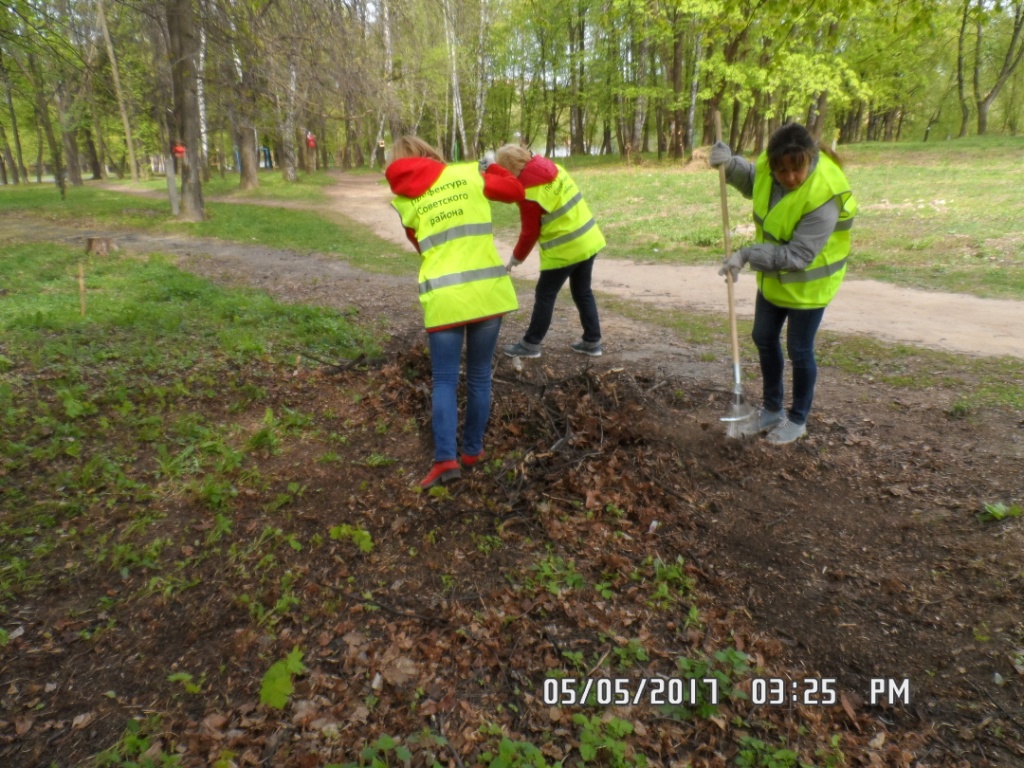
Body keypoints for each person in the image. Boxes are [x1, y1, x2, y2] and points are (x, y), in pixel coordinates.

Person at [385, 135, 525, 488]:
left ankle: (445, 460)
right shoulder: (468, 174)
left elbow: (420, 246)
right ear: (430, 153)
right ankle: (473, 451)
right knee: (479, 376)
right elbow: (515, 191)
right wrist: (490, 164)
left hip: (444, 298)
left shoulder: (405, 202)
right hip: (486, 293)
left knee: (445, 380)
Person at [709, 123, 857, 445]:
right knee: (763, 337)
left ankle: (798, 419)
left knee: (799, 350)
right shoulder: (769, 167)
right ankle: (772, 409)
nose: (789, 177)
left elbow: (798, 255)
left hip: (809, 285)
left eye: (796, 169)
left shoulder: (825, 192)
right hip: (774, 280)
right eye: (782, 170)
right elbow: (754, 181)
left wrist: (746, 254)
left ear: (810, 158)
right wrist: (730, 164)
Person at [492, 145, 606, 359]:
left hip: (565, 250)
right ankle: (592, 341)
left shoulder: (529, 192)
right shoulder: (554, 168)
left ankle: (530, 344)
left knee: (545, 294)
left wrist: (515, 259)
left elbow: (529, 233)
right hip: (588, 239)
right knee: (582, 292)